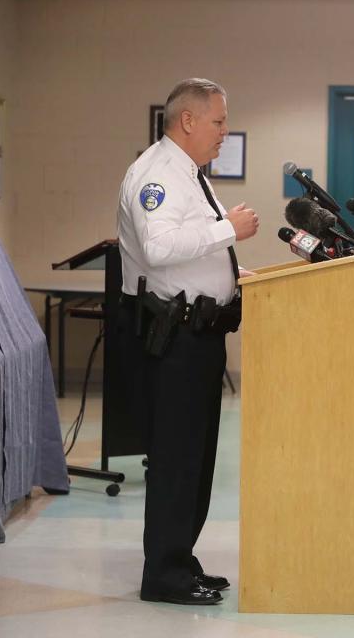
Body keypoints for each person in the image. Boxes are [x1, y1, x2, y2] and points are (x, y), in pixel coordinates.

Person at [118, 78, 260, 605]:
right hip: (172, 337)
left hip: (199, 333)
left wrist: (233, 271)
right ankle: (164, 575)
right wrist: (228, 229)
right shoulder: (157, 173)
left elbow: (190, 251)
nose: (226, 131)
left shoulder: (189, 173)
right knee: (177, 459)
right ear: (188, 121)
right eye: (220, 121)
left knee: (195, 459)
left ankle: (180, 558)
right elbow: (158, 248)